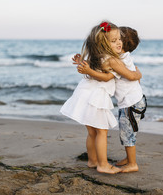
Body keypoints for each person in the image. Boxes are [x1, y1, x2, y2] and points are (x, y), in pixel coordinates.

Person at [60, 21, 142, 174]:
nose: (119, 42)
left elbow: (93, 69)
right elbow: (105, 78)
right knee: (101, 132)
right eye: (114, 40)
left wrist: (83, 64)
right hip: (96, 98)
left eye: (120, 39)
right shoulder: (113, 60)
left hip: (84, 94)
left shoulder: (97, 56)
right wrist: (89, 70)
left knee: (92, 132)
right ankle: (103, 165)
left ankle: (93, 161)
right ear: (103, 44)